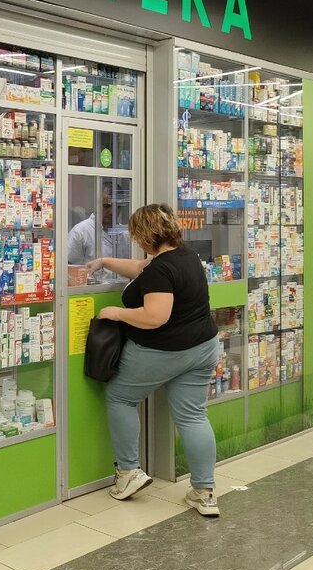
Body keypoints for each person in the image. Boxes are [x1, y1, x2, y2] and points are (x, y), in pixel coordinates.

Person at [88, 203, 222, 517]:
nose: (135, 240)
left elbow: (155, 316)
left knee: (120, 397)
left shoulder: (161, 269)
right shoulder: (185, 256)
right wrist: (104, 261)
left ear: (145, 235)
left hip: (164, 351)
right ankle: (204, 494)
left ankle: (128, 473)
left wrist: (117, 313)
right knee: (193, 416)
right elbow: (140, 269)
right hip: (203, 348)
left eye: (136, 234)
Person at [68, 182, 130, 282]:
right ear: (97, 205)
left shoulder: (125, 234)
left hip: (122, 288)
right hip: (93, 290)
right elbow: (69, 268)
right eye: (106, 206)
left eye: (117, 207)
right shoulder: (80, 231)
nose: (111, 212)